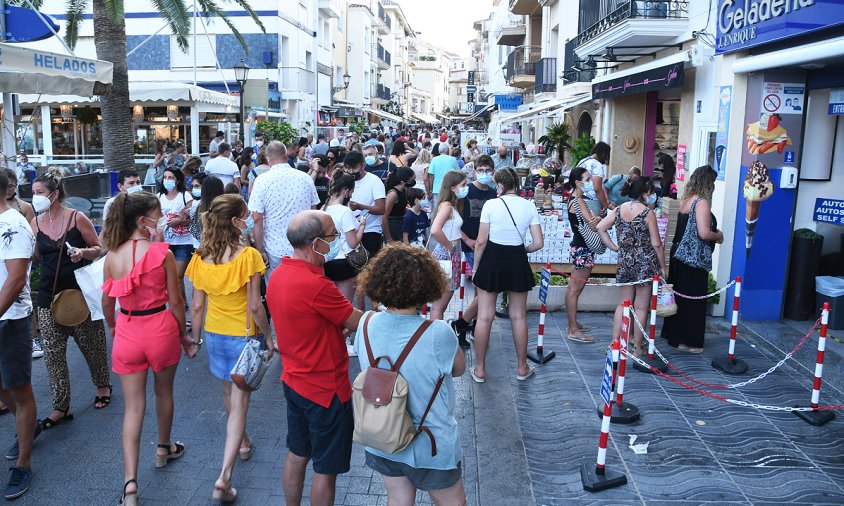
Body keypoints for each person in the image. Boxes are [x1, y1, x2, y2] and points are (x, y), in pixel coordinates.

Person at [353, 243, 467, 504]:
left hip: (384, 435)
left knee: (398, 499)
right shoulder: (438, 333)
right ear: (427, 285)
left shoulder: (366, 322)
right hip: (430, 442)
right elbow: (459, 369)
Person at [101, 190, 195, 506]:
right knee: (164, 393)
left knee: (133, 407)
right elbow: (177, 300)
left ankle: (130, 484)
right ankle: (163, 448)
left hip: (127, 330)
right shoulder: (162, 253)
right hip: (160, 329)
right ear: (143, 221)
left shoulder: (112, 256)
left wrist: (114, 326)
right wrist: (184, 336)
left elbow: (106, 301)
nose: (160, 220)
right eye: (156, 214)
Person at [266, 210, 363, 506]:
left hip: (294, 381)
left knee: (297, 453)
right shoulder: (317, 286)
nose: (335, 241)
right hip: (326, 389)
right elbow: (358, 320)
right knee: (325, 470)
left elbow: (310, 320)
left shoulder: (279, 274)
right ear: (316, 243)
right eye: (332, 236)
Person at [186, 194, 274, 502]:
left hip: (215, 335)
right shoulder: (248, 256)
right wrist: (269, 336)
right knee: (240, 404)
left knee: (229, 395)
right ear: (237, 221)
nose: (250, 218)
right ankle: (224, 476)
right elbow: (255, 305)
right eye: (246, 214)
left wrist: (194, 340)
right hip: (244, 337)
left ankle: (245, 441)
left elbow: (196, 306)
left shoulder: (200, 257)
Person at [29, 169, 111, 428]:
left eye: (39, 193)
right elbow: (36, 257)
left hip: (79, 295)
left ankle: (102, 386)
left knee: (92, 347)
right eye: (33, 193)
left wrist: (82, 252)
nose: (35, 198)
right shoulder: (35, 223)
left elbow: (98, 249)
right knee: (53, 355)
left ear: (54, 194)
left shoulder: (77, 218)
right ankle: (61, 406)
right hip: (47, 297)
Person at [470, 168, 543, 383]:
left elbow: (481, 241)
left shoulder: (491, 205)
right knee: (518, 316)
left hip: (491, 258)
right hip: (516, 260)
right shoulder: (529, 205)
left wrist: (475, 267)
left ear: (500, 186)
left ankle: (481, 370)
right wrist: (522, 251)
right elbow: (538, 243)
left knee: (484, 316)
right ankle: (521, 368)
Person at [0, 169, 38, 500]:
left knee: (20, 389)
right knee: (3, 390)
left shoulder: (14, 224)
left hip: (10, 320)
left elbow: (14, 280)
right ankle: (24, 424)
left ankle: (24, 463)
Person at [597, 177, 666, 356]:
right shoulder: (647, 213)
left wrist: (614, 247)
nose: (652, 196)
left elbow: (600, 227)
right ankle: (637, 348)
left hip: (625, 260)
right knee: (641, 306)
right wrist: (662, 266)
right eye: (650, 192)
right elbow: (656, 243)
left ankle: (615, 344)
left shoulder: (620, 209)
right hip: (645, 262)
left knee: (623, 304)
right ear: (644, 194)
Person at [662, 165, 723, 353]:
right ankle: (688, 342)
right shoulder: (702, 202)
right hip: (693, 261)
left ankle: (676, 337)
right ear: (708, 183)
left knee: (680, 298)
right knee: (693, 300)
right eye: (712, 182)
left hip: (679, 256)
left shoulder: (687, 200)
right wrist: (718, 235)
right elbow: (704, 233)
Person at [248, 141, 320, 280]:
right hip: (303, 248)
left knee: (276, 292)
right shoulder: (305, 178)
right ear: (286, 156)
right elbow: (314, 213)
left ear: (268, 158)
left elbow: (256, 219)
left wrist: (260, 250)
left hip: (274, 249)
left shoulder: (262, 181)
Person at [450, 155, 497, 345]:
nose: (484, 174)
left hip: (488, 244)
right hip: (471, 245)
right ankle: (464, 324)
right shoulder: (465, 192)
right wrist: (466, 239)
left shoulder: (493, 193)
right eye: (481, 170)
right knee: (484, 288)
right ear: (475, 171)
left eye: (488, 170)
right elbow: (453, 219)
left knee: (481, 289)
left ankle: (476, 325)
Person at [3, 170, 40, 360]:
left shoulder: (21, 210)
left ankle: (33, 338)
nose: (10, 189)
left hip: (20, 257)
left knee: (23, 295)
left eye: (12, 186)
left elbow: (31, 233)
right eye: (7, 186)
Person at [563, 166, 600, 343]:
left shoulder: (575, 200)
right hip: (583, 248)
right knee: (575, 290)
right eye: (587, 179)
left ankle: (573, 323)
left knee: (574, 288)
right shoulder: (578, 201)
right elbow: (592, 223)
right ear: (578, 182)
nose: (590, 182)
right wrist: (599, 218)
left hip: (580, 247)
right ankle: (573, 329)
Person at [322, 169, 366, 304]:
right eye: (351, 192)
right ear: (346, 191)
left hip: (327, 262)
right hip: (344, 262)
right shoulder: (345, 211)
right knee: (345, 306)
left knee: (332, 305)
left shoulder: (323, 208)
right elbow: (353, 242)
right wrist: (362, 225)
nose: (351, 195)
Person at [430, 171, 468, 322]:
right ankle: (435, 337)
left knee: (441, 304)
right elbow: (435, 229)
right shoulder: (447, 206)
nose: (466, 188)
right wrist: (450, 247)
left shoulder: (450, 205)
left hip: (451, 253)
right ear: (452, 187)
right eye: (463, 185)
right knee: (439, 305)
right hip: (447, 255)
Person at [343, 151, 386, 276]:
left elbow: (381, 208)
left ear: (363, 165)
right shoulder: (345, 181)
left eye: (354, 168)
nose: (351, 172)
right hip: (349, 232)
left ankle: (363, 295)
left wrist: (360, 207)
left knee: (368, 272)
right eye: (348, 168)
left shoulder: (374, 181)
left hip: (370, 231)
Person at [157, 167, 194, 307]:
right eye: (165, 177)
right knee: (169, 277)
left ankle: (180, 303)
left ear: (177, 180)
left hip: (184, 241)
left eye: (171, 177)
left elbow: (193, 219)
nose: (167, 180)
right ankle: (180, 302)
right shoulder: (159, 197)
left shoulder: (185, 196)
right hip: (165, 241)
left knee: (178, 276)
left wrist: (180, 221)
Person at [101, 169, 142, 237]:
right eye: (131, 183)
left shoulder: (146, 202)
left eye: (138, 182)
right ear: (120, 186)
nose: (136, 186)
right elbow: (105, 230)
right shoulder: (111, 203)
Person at [188, 175, 224, 249]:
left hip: (202, 250)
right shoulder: (225, 209)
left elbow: (194, 233)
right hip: (222, 249)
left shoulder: (194, 211)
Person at [576, 141, 611, 216]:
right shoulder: (597, 165)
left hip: (578, 200)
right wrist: (605, 204)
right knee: (594, 226)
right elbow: (597, 188)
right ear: (603, 154)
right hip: (591, 202)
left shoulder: (583, 161)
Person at [382, 167, 415, 243]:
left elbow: (401, 208)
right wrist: (389, 239)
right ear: (403, 181)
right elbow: (384, 217)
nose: (413, 182)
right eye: (412, 180)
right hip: (393, 226)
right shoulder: (393, 194)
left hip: (401, 224)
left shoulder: (403, 190)